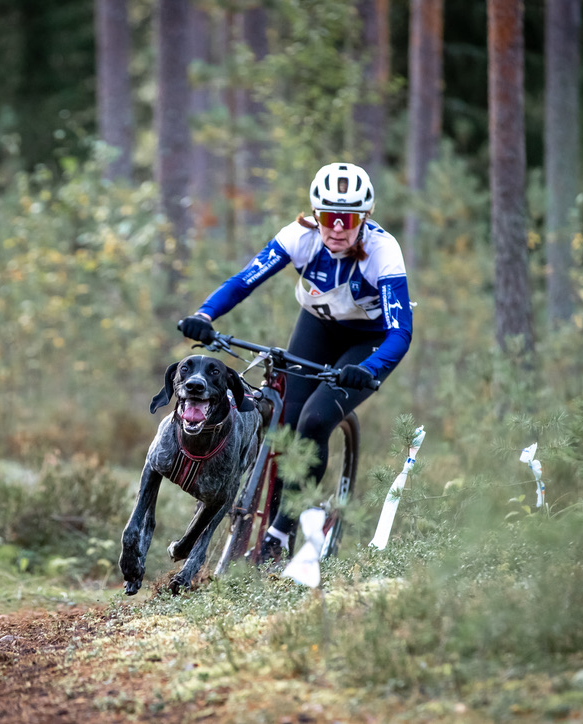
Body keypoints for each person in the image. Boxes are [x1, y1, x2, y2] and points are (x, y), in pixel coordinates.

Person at [177, 162, 413, 562]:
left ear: (365, 218)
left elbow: (400, 332)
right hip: (318, 326)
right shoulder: (299, 237)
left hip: (368, 341)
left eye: (348, 219)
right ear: (315, 214)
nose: (336, 228)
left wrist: (369, 369)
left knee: (315, 420)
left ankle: (280, 533)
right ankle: (263, 515)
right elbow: (244, 280)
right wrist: (204, 314)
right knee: (286, 422)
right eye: (328, 217)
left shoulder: (383, 252)